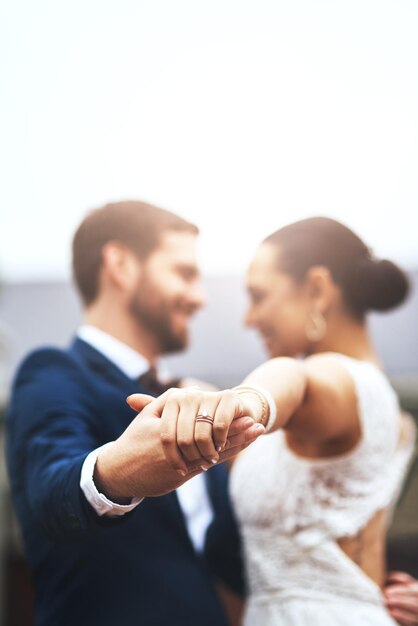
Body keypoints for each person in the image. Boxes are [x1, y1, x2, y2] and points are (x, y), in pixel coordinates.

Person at [129, 217, 416, 625]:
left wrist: (248, 401)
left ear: (317, 288)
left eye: (259, 296)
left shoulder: (342, 382)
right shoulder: (385, 414)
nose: (249, 318)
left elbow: (293, 379)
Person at [5, 200, 263, 626]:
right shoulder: (52, 371)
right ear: (120, 265)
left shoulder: (198, 401)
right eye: (183, 273)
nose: (199, 298)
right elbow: (50, 494)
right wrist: (120, 471)